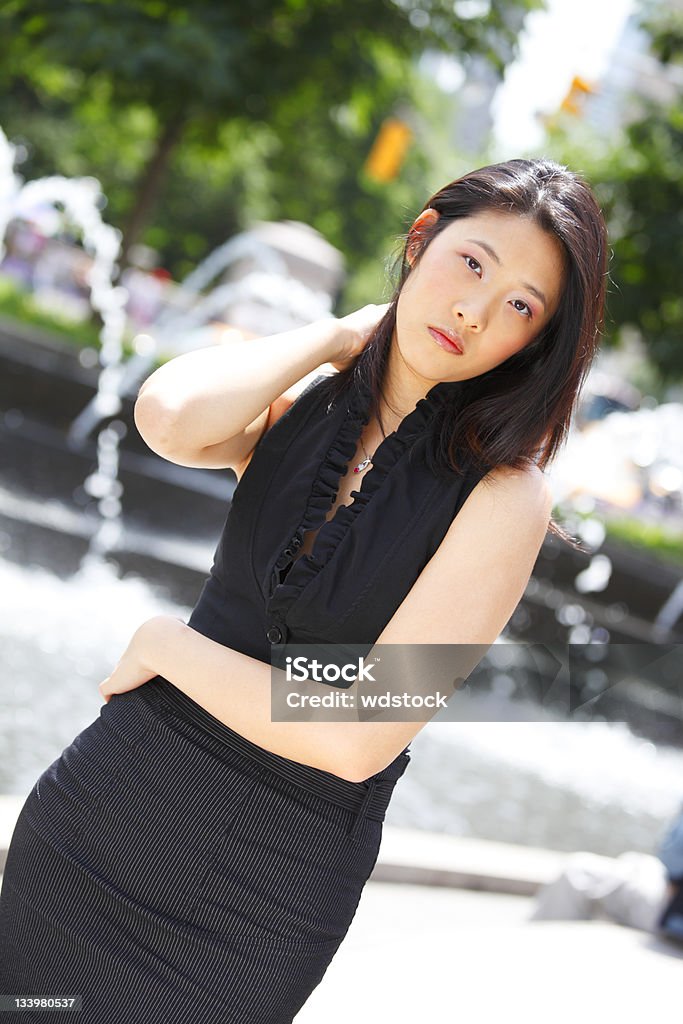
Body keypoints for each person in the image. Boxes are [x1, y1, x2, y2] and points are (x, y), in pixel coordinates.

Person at [0, 158, 609, 1022]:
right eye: (470, 262)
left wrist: (166, 645)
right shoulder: (306, 405)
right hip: (102, 818)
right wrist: (337, 337)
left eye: (520, 305)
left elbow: (360, 733)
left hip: (260, 896)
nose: (474, 310)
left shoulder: (502, 496)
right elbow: (167, 416)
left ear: (535, 344)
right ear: (422, 238)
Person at [529, 802, 683, 944]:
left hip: (671, 914)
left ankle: (533, 952)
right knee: (634, 863)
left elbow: (672, 856)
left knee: (577, 873)